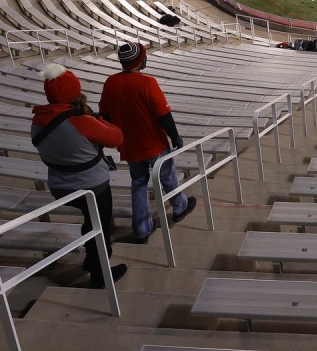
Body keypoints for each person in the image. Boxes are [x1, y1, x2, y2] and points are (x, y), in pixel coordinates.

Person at [31, 64, 127, 289]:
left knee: (90, 220)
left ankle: (91, 259)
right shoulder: (82, 121)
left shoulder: (38, 122)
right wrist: (98, 120)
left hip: (60, 186)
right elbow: (117, 138)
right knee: (101, 226)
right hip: (92, 187)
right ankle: (99, 273)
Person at [99, 43, 195, 245]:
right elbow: (164, 115)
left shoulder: (110, 83)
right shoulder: (148, 82)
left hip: (129, 146)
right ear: (139, 61)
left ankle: (142, 229)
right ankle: (179, 206)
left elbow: (105, 116)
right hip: (153, 144)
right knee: (167, 176)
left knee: (138, 184)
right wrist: (175, 136)